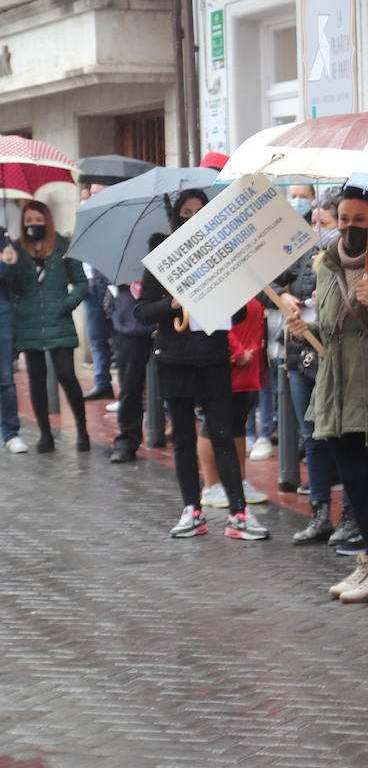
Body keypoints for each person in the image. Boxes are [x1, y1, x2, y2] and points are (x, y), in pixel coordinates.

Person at [287, 186, 368, 602]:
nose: (349, 227)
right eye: (344, 219)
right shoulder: (325, 265)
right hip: (335, 387)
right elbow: (329, 330)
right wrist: (303, 329)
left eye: (359, 220)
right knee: (352, 478)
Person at [135, 189, 266, 541]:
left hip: (212, 360)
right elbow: (143, 312)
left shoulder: (221, 257)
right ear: (175, 218)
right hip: (174, 361)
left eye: (200, 211)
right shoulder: (160, 261)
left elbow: (238, 313)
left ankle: (238, 513)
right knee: (182, 438)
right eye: (185, 211)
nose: (192, 217)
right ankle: (192, 510)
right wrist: (172, 305)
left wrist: (224, 293)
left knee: (223, 434)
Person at [273, 217, 349, 548]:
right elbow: (268, 283)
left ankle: (350, 514)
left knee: (340, 436)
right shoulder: (300, 251)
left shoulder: (351, 255)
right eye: (314, 220)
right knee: (312, 437)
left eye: (327, 220)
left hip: (335, 357)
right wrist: (282, 297)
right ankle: (320, 513)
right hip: (299, 354)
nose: (319, 225)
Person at [9, 201, 90, 453]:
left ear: (48, 220)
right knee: (36, 379)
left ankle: (82, 430)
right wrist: (7, 262)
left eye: (38, 220)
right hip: (29, 323)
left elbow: (81, 284)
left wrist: (64, 305)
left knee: (67, 375)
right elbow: (9, 287)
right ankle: (45, 433)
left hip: (59, 322)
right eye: (29, 221)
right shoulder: (16, 250)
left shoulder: (64, 247)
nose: (33, 225)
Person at [198, 296, 269, 509]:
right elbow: (211, 319)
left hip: (248, 362)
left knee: (238, 422)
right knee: (213, 423)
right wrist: (235, 352)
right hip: (227, 361)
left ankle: (237, 481)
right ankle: (211, 485)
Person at [108, 279, 154, 463]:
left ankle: (177, 434)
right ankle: (127, 440)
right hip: (131, 323)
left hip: (168, 319)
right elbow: (100, 271)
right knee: (130, 386)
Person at [0, 232, 25, 454]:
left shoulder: (4, 240)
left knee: (6, 379)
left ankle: (10, 432)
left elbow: (13, 279)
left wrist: (6, 261)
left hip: (3, 316)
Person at [81, 262, 115, 400]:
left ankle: (126, 389)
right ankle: (102, 384)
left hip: (112, 281)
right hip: (89, 283)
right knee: (95, 338)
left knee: (121, 338)